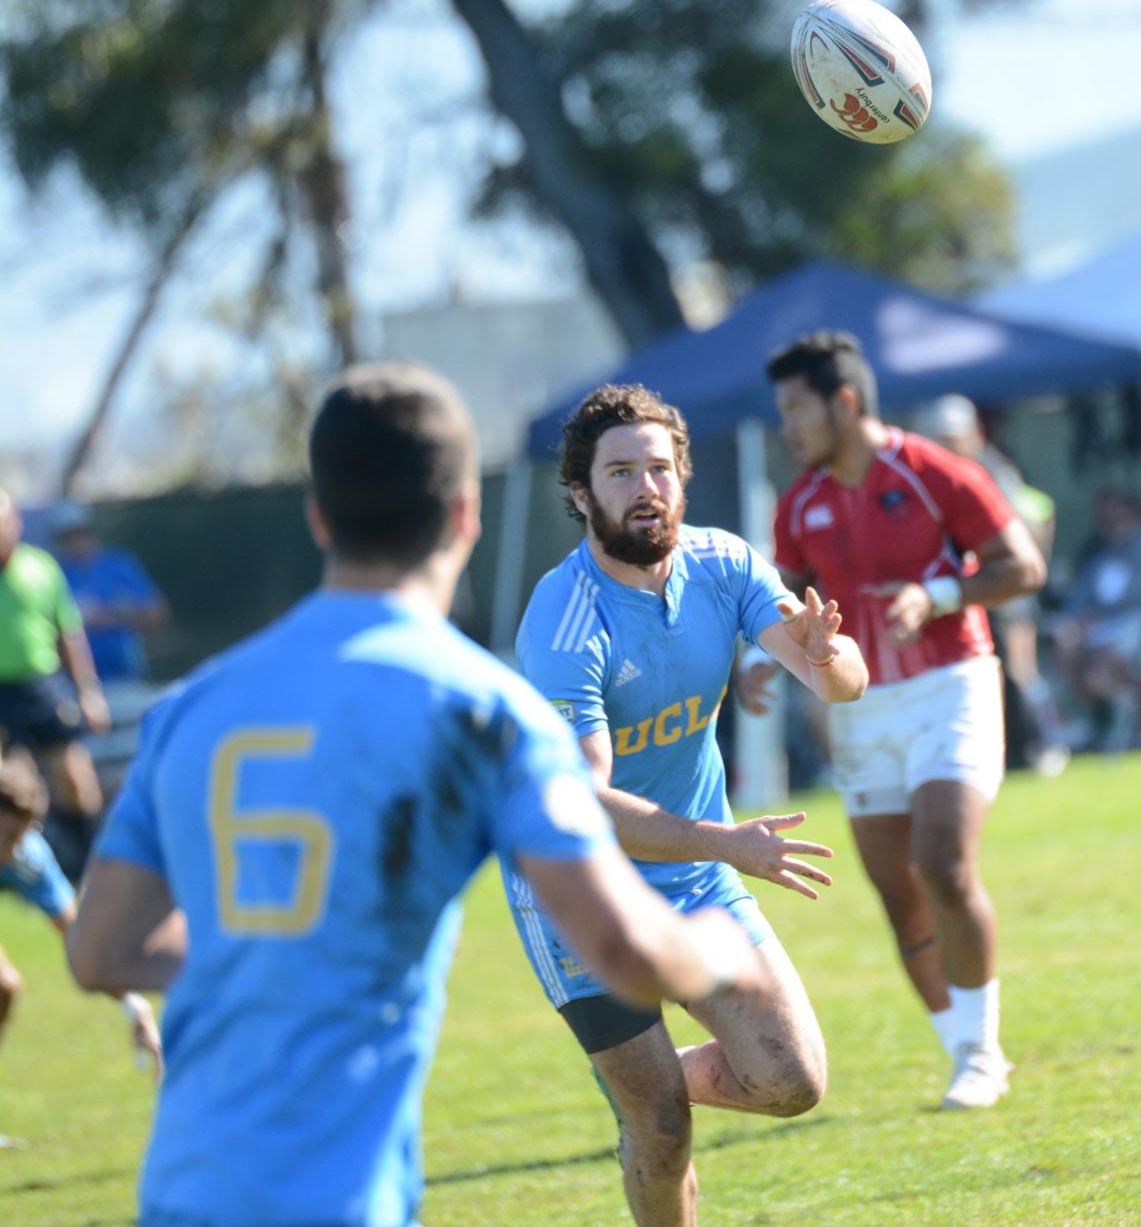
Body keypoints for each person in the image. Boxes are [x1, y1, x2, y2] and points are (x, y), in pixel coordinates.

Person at [64, 363, 770, 1226]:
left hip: (182, 1194)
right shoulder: (483, 714)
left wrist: (263, 952)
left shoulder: (190, 707)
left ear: (319, 516)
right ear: (466, 513)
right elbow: (622, 950)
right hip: (344, 1198)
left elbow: (98, 954)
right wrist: (717, 951)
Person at [512, 383, 865, 1221]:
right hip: (580, 892)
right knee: (663, 1128)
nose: (647, 488)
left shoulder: (724, 563)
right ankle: (645, 1094)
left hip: (697, 875)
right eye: (622, 472)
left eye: (661, 469)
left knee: (791, 1081)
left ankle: (644, 1080)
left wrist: (829, 654)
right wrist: (729, 843)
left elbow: (841, 682)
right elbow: (587, 804)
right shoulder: (566, 621)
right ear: (581, 494)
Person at [754, 330, 1048, 1110]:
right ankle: (964, 1051)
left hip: (950, 685)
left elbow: (1024, 566)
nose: (785, 425)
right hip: (859, 709)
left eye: (794, 408)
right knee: (897, 891)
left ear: (844, 402)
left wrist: (941, 593)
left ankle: (983, 1053)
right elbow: (775, 603)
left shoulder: (934, 471)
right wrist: (757, 662)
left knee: (943, 863)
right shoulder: (801, 502)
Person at [0, 750, 161, 1144]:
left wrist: (132, 1004)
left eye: (14, 837)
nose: (7, 849)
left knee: (3, 987)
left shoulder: (25, 859)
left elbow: (79, 936)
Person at [915, 395, 1068, 776]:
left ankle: (1050, 742)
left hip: (1006, 593)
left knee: (1021, 672)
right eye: (941, 438)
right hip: (970, 594)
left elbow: (1029, 534)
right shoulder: (939, 479)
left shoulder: (995, 473)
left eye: (954, 437)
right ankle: (1012, 752)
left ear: (974, 434)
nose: (948, 446)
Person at [0, 489, 108, 882]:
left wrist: (89, 692)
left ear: (15, 524)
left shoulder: (41, 568)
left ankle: (93, 859)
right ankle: (19, 871)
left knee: (75, 777)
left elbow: (69, 634)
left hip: (41, 686)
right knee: (11, 788)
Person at [1050, 489, 1141, 750]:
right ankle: (1090, 717)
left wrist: (1102, 618)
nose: (1115, 524)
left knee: (1104, 667)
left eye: (1120, 516)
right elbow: (1082, 595)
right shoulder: (1100, 553)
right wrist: (1081, 619)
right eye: (1108, 519)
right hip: (1100, 628)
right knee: (1065, 643)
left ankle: (1131, 714)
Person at [49, 501, 168, 688]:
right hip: (77, 683)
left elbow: (156, 614)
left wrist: (111, 616)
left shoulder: (120, 565)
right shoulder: (54, 573)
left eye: (80, 532)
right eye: (67, 536)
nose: (76, 540)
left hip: (127, 674)